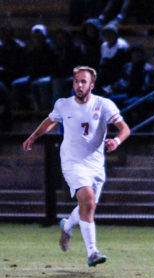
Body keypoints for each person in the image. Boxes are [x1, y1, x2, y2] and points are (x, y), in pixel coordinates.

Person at [22, 66, 130, 267]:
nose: (79, 85)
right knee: (87, 199)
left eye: (83, 82)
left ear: (92, 85)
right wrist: (33, 136)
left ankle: (67, 224)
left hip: (96, 165)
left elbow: (124, 129)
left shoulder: (104, 105)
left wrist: (117, 141)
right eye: (76, 81)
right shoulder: (64, 105)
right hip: (72, 161)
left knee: (87, 208)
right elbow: (49, 121)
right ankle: (93, 253)